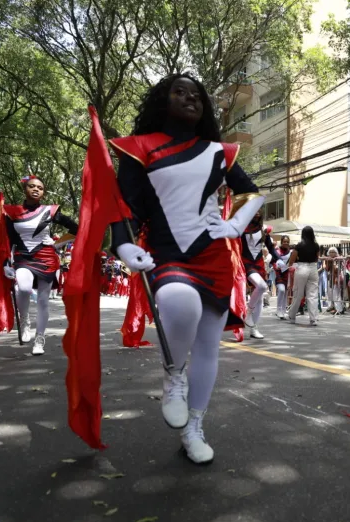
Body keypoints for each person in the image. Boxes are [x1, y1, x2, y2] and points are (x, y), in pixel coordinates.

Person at [109, 73, 264, 464]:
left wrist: (234, 225)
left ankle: (194, 427)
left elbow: (252, 194)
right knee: (180, 304)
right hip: (167, 253)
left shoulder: (220, 151)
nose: (190, 99)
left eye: (197, 95)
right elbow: (123, 206)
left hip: (212, 255)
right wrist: (123, 244)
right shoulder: (137, 149)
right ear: (163, 100)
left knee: (210, 346)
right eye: (180, 92)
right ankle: (173, 374)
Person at [1, 176, 78, 355]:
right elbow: (7, 240)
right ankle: (25, 320)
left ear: (43, 192)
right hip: (23, 257)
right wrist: (6, 263)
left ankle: (39, 339)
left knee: (43, 301)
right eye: (32, 186)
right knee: (25, 288)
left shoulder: (50, 211)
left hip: (47, 258)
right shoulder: (12, 212)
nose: (36, 189)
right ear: (25, 189)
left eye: (40, 188)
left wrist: (57, 244)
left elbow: (75, 228)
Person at [239, 212, 278, 339]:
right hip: (246, 263)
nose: (257, 213)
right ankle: (248, 311)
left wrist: (278, 260)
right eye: (254, 209)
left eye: (260, 210)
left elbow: (270, 248)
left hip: (259, 264)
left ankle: (253, 328)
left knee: (260, 297)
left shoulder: (263, 229)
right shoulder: (241, 227)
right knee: (261, 286)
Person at [287, 226, 320, 325]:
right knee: (313, 295)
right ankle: (313, 319)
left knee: (298, 293)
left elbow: (292, 259)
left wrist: (291, 265)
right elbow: (316, 258)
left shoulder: (299, 245)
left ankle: (292, 316)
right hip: (313, 268)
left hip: (302, 267)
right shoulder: (316, 245)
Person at [273, 236, 292, 319]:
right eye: (284, 241)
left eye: (287, 242)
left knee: (285, 293)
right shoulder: (277, 251)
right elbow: (273, 261)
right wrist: (275, 266)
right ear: (281, 242)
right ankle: (278, 310)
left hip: (287, 273)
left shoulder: (290, 252)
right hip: (279, 273)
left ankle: (283, 311)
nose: (286, 243)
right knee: (281, 290)